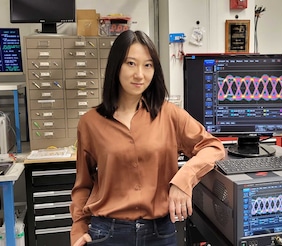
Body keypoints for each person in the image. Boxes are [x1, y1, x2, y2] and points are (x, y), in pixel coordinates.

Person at [70, 30, 225, 246]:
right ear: (116, 67)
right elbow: (83, 185)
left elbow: (213, 147)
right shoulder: (90, 122)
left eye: (148, 65)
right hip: (108, 234)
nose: (140, 74)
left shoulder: (169, 115)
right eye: (131, 63)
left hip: (160, 233)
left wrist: (183, 180)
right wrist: (78, 228)